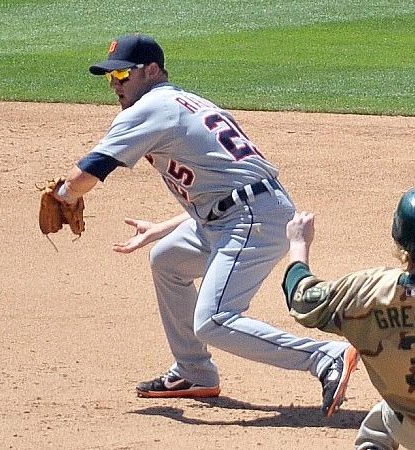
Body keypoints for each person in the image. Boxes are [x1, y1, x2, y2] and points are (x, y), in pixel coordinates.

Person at [53, 33, 358, 417]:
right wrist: (163, 227)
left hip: (249, 219)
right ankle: (194, 372)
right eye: (110, 79)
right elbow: (227, 179)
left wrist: (62, 194)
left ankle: (325, 357)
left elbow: (89, 173)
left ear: (150, 71)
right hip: (239, 211)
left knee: (214, 320)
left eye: (122, 76)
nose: (115, 86)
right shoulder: (184, 101)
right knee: (168, 259)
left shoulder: (151, 107)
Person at [283, 188, 415, 449]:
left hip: (407, 428)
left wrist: (299, 244)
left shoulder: (366, 291)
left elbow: (301, 298)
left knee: (385, 416)